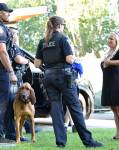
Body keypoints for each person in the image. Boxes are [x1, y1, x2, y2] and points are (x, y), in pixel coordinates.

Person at [34, 15, 103, 148]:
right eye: (63, 25)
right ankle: (88, 141)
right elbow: (69, 59)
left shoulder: (43, 41)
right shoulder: (63, 38)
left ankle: (60, 142)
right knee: (75, 107)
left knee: (56, 108)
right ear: (59, 26)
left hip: (48, 78)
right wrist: (75, 57)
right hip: (64, 77)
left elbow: (37, 64)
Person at [4, 27, 40, 141]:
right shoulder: (12, 46)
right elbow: (19, 59)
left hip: (13, 79)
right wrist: (28, 61)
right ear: (12, 35)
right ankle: (12, 133)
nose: (16, 37)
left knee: (13, 107)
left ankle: (23, 130)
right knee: (11, 107)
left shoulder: (11, 46)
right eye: (15, 34)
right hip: (12, 80)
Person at [0, 3, 18, 143]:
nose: (8, 14)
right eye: (7, 12)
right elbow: (2, 51)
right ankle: (1, 136)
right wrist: (11, 71)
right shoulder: (0, 28)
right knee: (3, 103)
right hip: (2, 72)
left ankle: (9, 134)